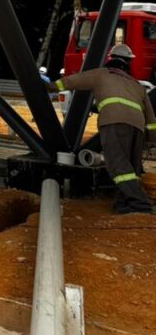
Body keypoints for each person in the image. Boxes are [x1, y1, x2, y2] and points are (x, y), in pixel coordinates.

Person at [50, 44, 156, 214]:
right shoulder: (137, 85)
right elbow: (151, 118)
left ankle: (140, 203)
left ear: (110, 59)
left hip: (113, 122)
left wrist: (50, 86)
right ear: (128, 62)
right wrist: (151, 139)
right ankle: (123, 204)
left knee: (117, 165)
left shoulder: (101, 74)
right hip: (137, 127)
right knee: (131, 167)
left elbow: (71, 81)